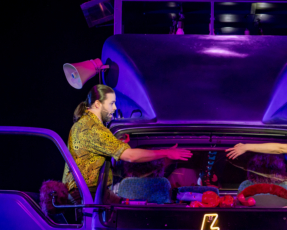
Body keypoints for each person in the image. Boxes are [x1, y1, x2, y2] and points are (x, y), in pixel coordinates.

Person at [63, 84, 192, 201]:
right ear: (97, 104)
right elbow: (131, 156)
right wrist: (167, 152)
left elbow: (93, 155)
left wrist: (116, 143)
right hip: (87, 194)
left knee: (126, 205)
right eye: (111, 103)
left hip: (83, 192)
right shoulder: (93, 128)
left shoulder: (83, 124)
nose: (114, 108)